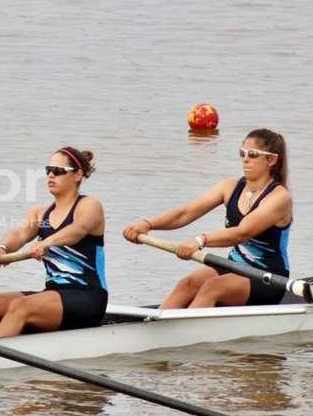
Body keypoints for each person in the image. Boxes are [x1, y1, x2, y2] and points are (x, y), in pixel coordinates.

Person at [123, 128, 292, 308]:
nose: (245, 159)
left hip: (268, 277)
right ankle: (158, 322)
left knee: (212, 287)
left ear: (271, 160)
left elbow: (242, 233)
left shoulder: (279, 198)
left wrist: (199, 241)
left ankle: (186, 324)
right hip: (233, 267)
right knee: (189, 283)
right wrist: (147, 224)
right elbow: (186, 213)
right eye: (242, 153)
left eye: (252, 154)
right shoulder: (230, 187)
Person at [0, 147, 108, 338]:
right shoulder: (40, 214)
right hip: (53, 293)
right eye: (48, 170)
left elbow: (78, 229)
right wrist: (1, 248)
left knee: (20, 306)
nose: (51, 175)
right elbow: (19, 234)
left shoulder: (89, 205)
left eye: (58, 170)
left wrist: (47, 243)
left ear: (77, 175)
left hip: (87, 297)